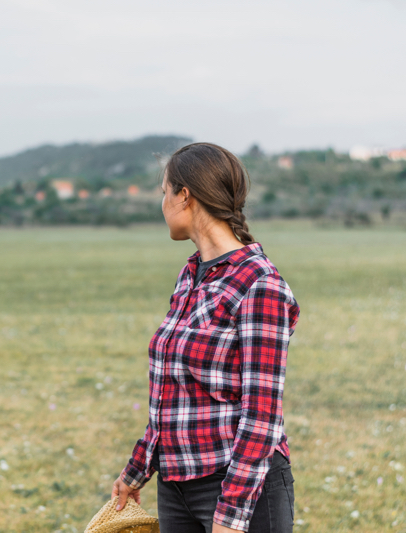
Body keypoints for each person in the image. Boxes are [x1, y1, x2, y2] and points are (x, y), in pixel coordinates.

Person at [112, 143, 300, 533]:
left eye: (164, 192)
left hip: (237, 487)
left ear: (185, 196)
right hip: (176, 484)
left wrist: (231, 515)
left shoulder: (259, 285)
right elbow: (172, 392)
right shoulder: (191, 274)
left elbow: (262, 416)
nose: (162, 203)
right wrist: (138, 469)